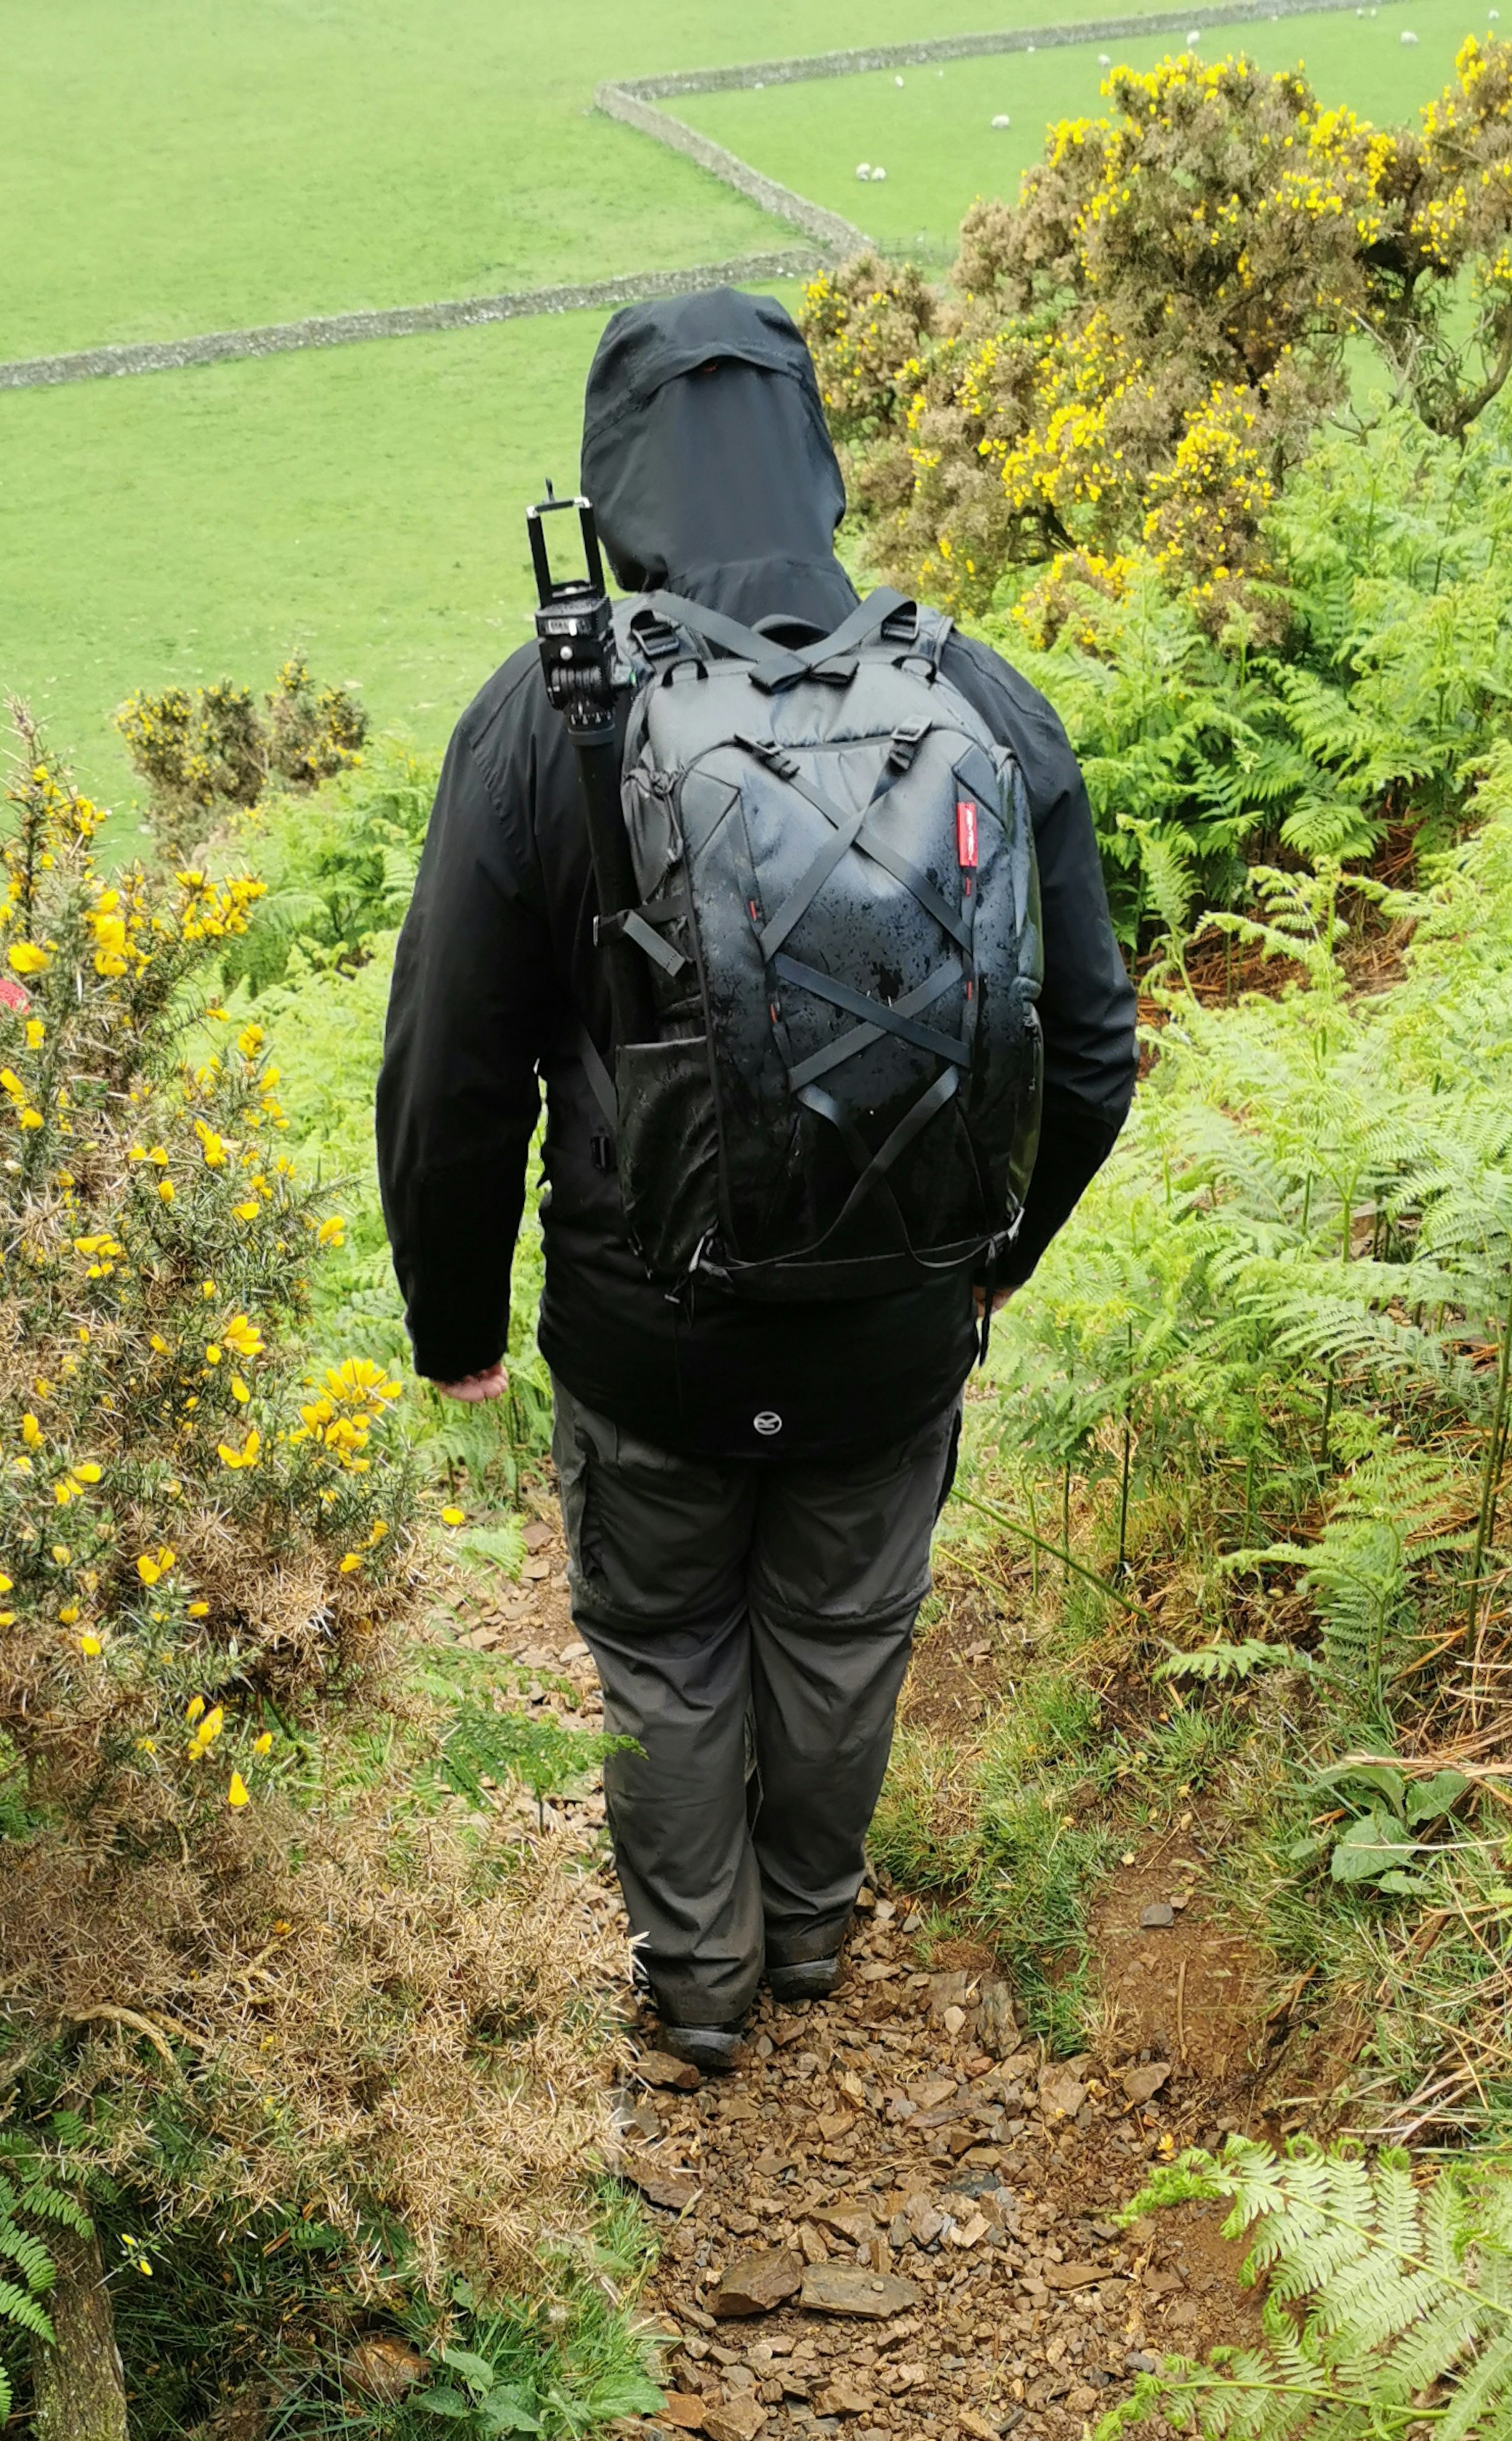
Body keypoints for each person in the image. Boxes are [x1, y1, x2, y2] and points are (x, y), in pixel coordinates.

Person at [376, 286, 1138, 2070]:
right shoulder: (974, 697)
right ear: (815, 454)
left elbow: (451, 1066)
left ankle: (699, 1982)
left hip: (650, 1333)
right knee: (844, 1623)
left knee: (662, 1641)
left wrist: (457, 1322)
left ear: (613, 474)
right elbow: (1091, 1045)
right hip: (888, 1331)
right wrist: (992, 1263)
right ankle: (810, 1930)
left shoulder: (548, 713)